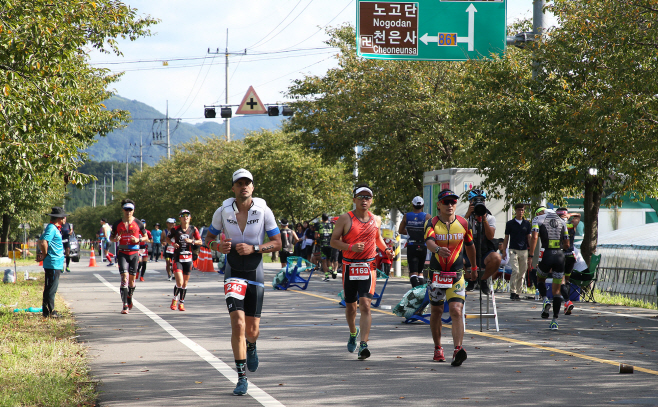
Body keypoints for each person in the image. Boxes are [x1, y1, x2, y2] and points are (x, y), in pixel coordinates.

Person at [205, 169, 282, 396]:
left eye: (247, 183)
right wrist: (217, 247)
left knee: (252, 329)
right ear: (233, 188)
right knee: (237, 324)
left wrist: (255, 248)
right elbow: (207, 239)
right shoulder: (222, 211)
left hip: (255, 270)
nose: (243, 187)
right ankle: (241, 377)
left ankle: (252, 345)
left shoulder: (264, 210)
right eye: (239, 183)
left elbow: (278, 243)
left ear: (253, 187)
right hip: (233, 271)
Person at [330, 183, 393, 361]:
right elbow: (334, 242)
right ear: (354, 199)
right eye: (361, 197)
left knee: (365, 305)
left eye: (367, 197)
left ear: (371, 200)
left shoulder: (376, 219)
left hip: (368, 266)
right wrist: (350, 246)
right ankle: (353, 333)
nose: (364, 200)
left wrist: (385, 249)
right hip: (350, 266)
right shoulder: (345, 218)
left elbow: (378, 238)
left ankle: (364, 344)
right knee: (351, 307)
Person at [424, 190, 478, 366]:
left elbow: (470, 246)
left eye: (453, 202)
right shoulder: (431, 223)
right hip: (437, 275)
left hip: (456, 274)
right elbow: (429, 242)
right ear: (439, 204)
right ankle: (438, 347)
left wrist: (474, 267)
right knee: (437, 312)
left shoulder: (463, 223)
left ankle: (457, 349)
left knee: (456, 310)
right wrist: (438, 249)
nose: (450, 205)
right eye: (446, 202)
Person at [528, 208, 570, 330]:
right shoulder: (562, 221)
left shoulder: (538, 219)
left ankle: (545, 299)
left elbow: (534, 237)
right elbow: (567, 244)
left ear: (541, 212)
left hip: (547, 254)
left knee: (540, 278)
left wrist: (531, 255)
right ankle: (554, 321)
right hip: (560, 256)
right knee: (556, 291)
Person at [110, 199, 148, 314]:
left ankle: (130, 296)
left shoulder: (138, 223)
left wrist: (138, 239)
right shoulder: (117, 223)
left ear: (133, 210)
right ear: (123, 210)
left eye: (130, 210)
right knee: (124, 278)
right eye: (126, 209)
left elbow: (146, 237)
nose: (128, 212)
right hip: (122, 253)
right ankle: (125, 305)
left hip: (134, 254)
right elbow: (111, 238)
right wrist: (115, 239)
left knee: (132, 281)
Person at [463, 189, 501, 295]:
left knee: (497, 257)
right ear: (470, 202)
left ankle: (483, 280)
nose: (479, 203)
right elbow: (458, 234)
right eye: (475, 200)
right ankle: (470, 279)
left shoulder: (490, 218)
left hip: (484, 253)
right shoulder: (464, 218)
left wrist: (484, 218)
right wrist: (467, 215)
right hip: (468, 254)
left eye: (482, 201)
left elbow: (490, 236)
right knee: (454, 259)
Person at [167, 210, 202, 311]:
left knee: (185, 283)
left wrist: (192, 241)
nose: (185, 217)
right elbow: (168, 239)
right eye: (183, 215)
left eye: (187, 215)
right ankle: (175, 299)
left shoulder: (193, 229)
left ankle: (181, 303)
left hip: (188, 258)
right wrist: (173, 244)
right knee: (180, 281)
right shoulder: (175, 229)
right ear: (180, 218)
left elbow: (200, 241)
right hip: (178, 257)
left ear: (190, 218)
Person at [36, 207, 67, 318]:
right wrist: (44, 254)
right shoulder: (52, 228)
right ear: (59, 218)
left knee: (50, 287)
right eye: (64, 217)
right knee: (51, 288)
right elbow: (43, 242)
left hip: (55, 262)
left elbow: (40, 240)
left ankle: (46, 311)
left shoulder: (53, 228)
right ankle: (51, 311)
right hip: (53, 262)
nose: (65, 218)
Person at [399, 196, 431, 288]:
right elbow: (431, 231)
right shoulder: (427, 216)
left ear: (412, 204)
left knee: (413, 272)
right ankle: (421, 291)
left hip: (412, 245)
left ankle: (416, 291)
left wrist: (409, 231)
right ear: (423, 205)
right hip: (423, 245)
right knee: (420, 272)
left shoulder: (406, 216)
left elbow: (400, 230)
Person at [501, 203, 532, 300]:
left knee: (522, 272)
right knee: (515, 270)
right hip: (513, 249)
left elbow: (529, 237)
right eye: (519, 210)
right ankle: (512, 291)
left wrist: (531, 251)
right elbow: (506, 237)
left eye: (522, 210)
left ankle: (518, 292)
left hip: (524, 250)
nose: (520, 212)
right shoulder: (510, 223)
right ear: (515, 211)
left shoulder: (527, 224)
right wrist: (504, 250)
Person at [557, 208, 578, 315]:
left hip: (561, 255)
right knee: (568, 279)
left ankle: (566, 301)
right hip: (571, 255)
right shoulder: (571, 225)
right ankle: (567, 300)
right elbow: (578, 216)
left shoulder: (556, 225)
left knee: (561, 279)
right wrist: (570, 215)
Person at [317, 214, 336, 281]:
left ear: (322, 218)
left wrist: (319, 238)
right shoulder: (332, 225)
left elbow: (316, 236)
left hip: (323, 245)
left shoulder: (319, 225)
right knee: (329, 260)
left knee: (324, 261)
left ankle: (327, 277)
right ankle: (330, 269)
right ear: (328, 218)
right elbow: (334, 235)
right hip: (330, 245)